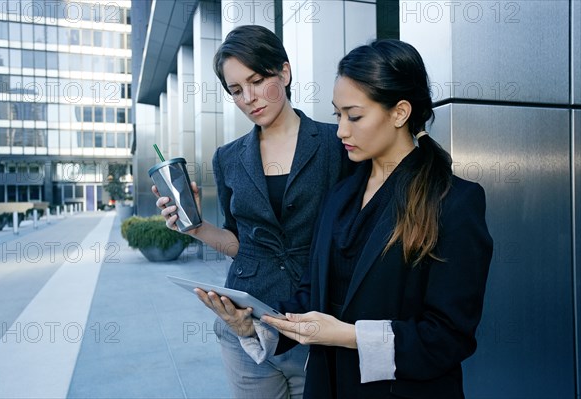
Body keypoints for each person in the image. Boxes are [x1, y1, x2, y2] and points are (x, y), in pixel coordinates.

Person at [197, 39, 493, 398]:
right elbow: (311, 292)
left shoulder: (455, 202)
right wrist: (255, 327)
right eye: (338, 115)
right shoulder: (340, 194)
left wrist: (348, 335)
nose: (341, 131)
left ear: (399, 113)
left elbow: (447, 338)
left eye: (354, 116)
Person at [154, 25, 352, 398]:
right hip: (244, 327)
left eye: (258, 81)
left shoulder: (335, 143)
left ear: (285, 73)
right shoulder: (227, 158)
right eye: (236, 90)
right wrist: (194, 226)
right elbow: (241, 244)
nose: (249, 98)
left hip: (316, 324)